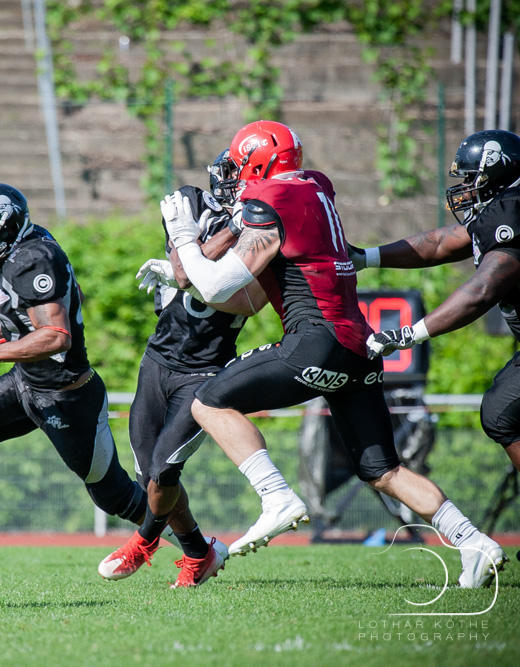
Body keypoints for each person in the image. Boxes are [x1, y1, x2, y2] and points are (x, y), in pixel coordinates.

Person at [165, 120, 505, 588]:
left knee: (207, 402)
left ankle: (276, 498)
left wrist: (184, 237)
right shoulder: (313, 187)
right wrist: (177, 268)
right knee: (383, 470)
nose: (236, 175)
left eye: (241, 164)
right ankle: (474, 542)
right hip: (358, 348)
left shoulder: (272, 199)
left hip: (315, 341)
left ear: (259, 164)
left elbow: (216, 286)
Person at [0, 182, 155, 560]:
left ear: (6, 228)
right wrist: (9, 324)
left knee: (115, 496)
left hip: (67, 395)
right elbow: (57, 299)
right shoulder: (20, 246)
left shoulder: (32, 257)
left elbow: (57, 336)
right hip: (25, 382)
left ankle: (198, 545)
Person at [96, 169, 263, 587]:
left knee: (163, 469)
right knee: (147, 473)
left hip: (205, 370)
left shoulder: (265, 228)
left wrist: (237, 227)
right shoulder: (190, 201)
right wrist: (230, 228)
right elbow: (184, 270)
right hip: (158, 357)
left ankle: (144, 540)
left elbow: (236, 295)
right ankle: (199, 554)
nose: (233, 183)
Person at [355, 129, 520, 477]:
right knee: (501, 411)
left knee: (502, 412)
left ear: (498, 172)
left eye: (472, 179)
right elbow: (443, 243)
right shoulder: (503, 205)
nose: (466, 188)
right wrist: (367, 257)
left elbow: (481, 292)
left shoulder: (511, 210)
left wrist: (409, 335)